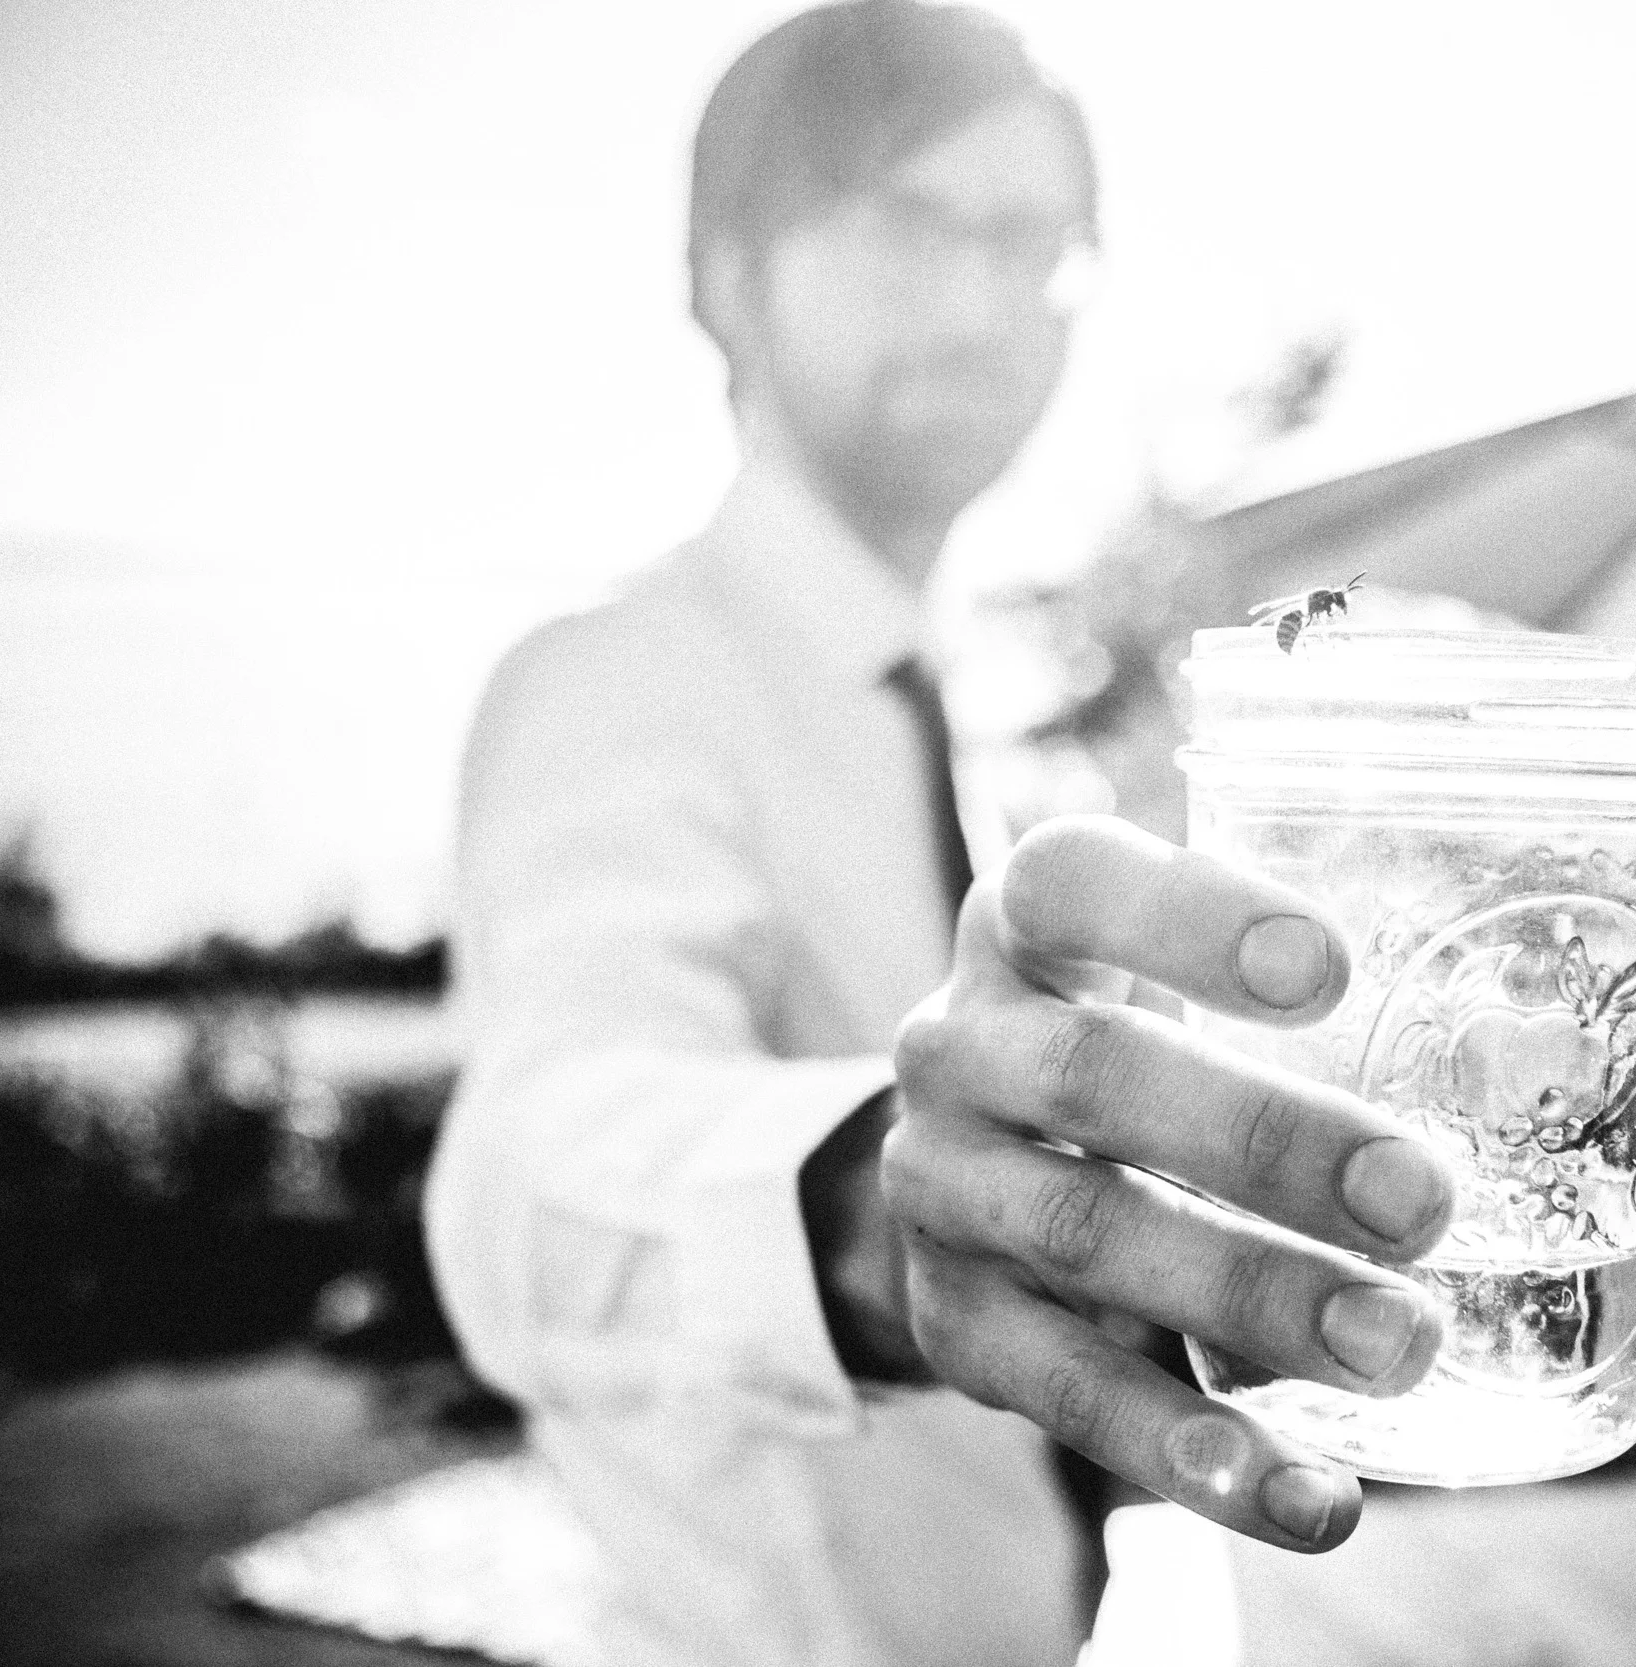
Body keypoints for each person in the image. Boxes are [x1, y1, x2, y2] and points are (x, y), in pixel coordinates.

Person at [424, 5, 1458, 1665]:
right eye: (916, 222)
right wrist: (862, 1205)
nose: (990, 301)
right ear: (728, 275)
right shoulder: (617, 684)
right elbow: (535, 1162)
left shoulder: (941, 702)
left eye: (1040, 246)